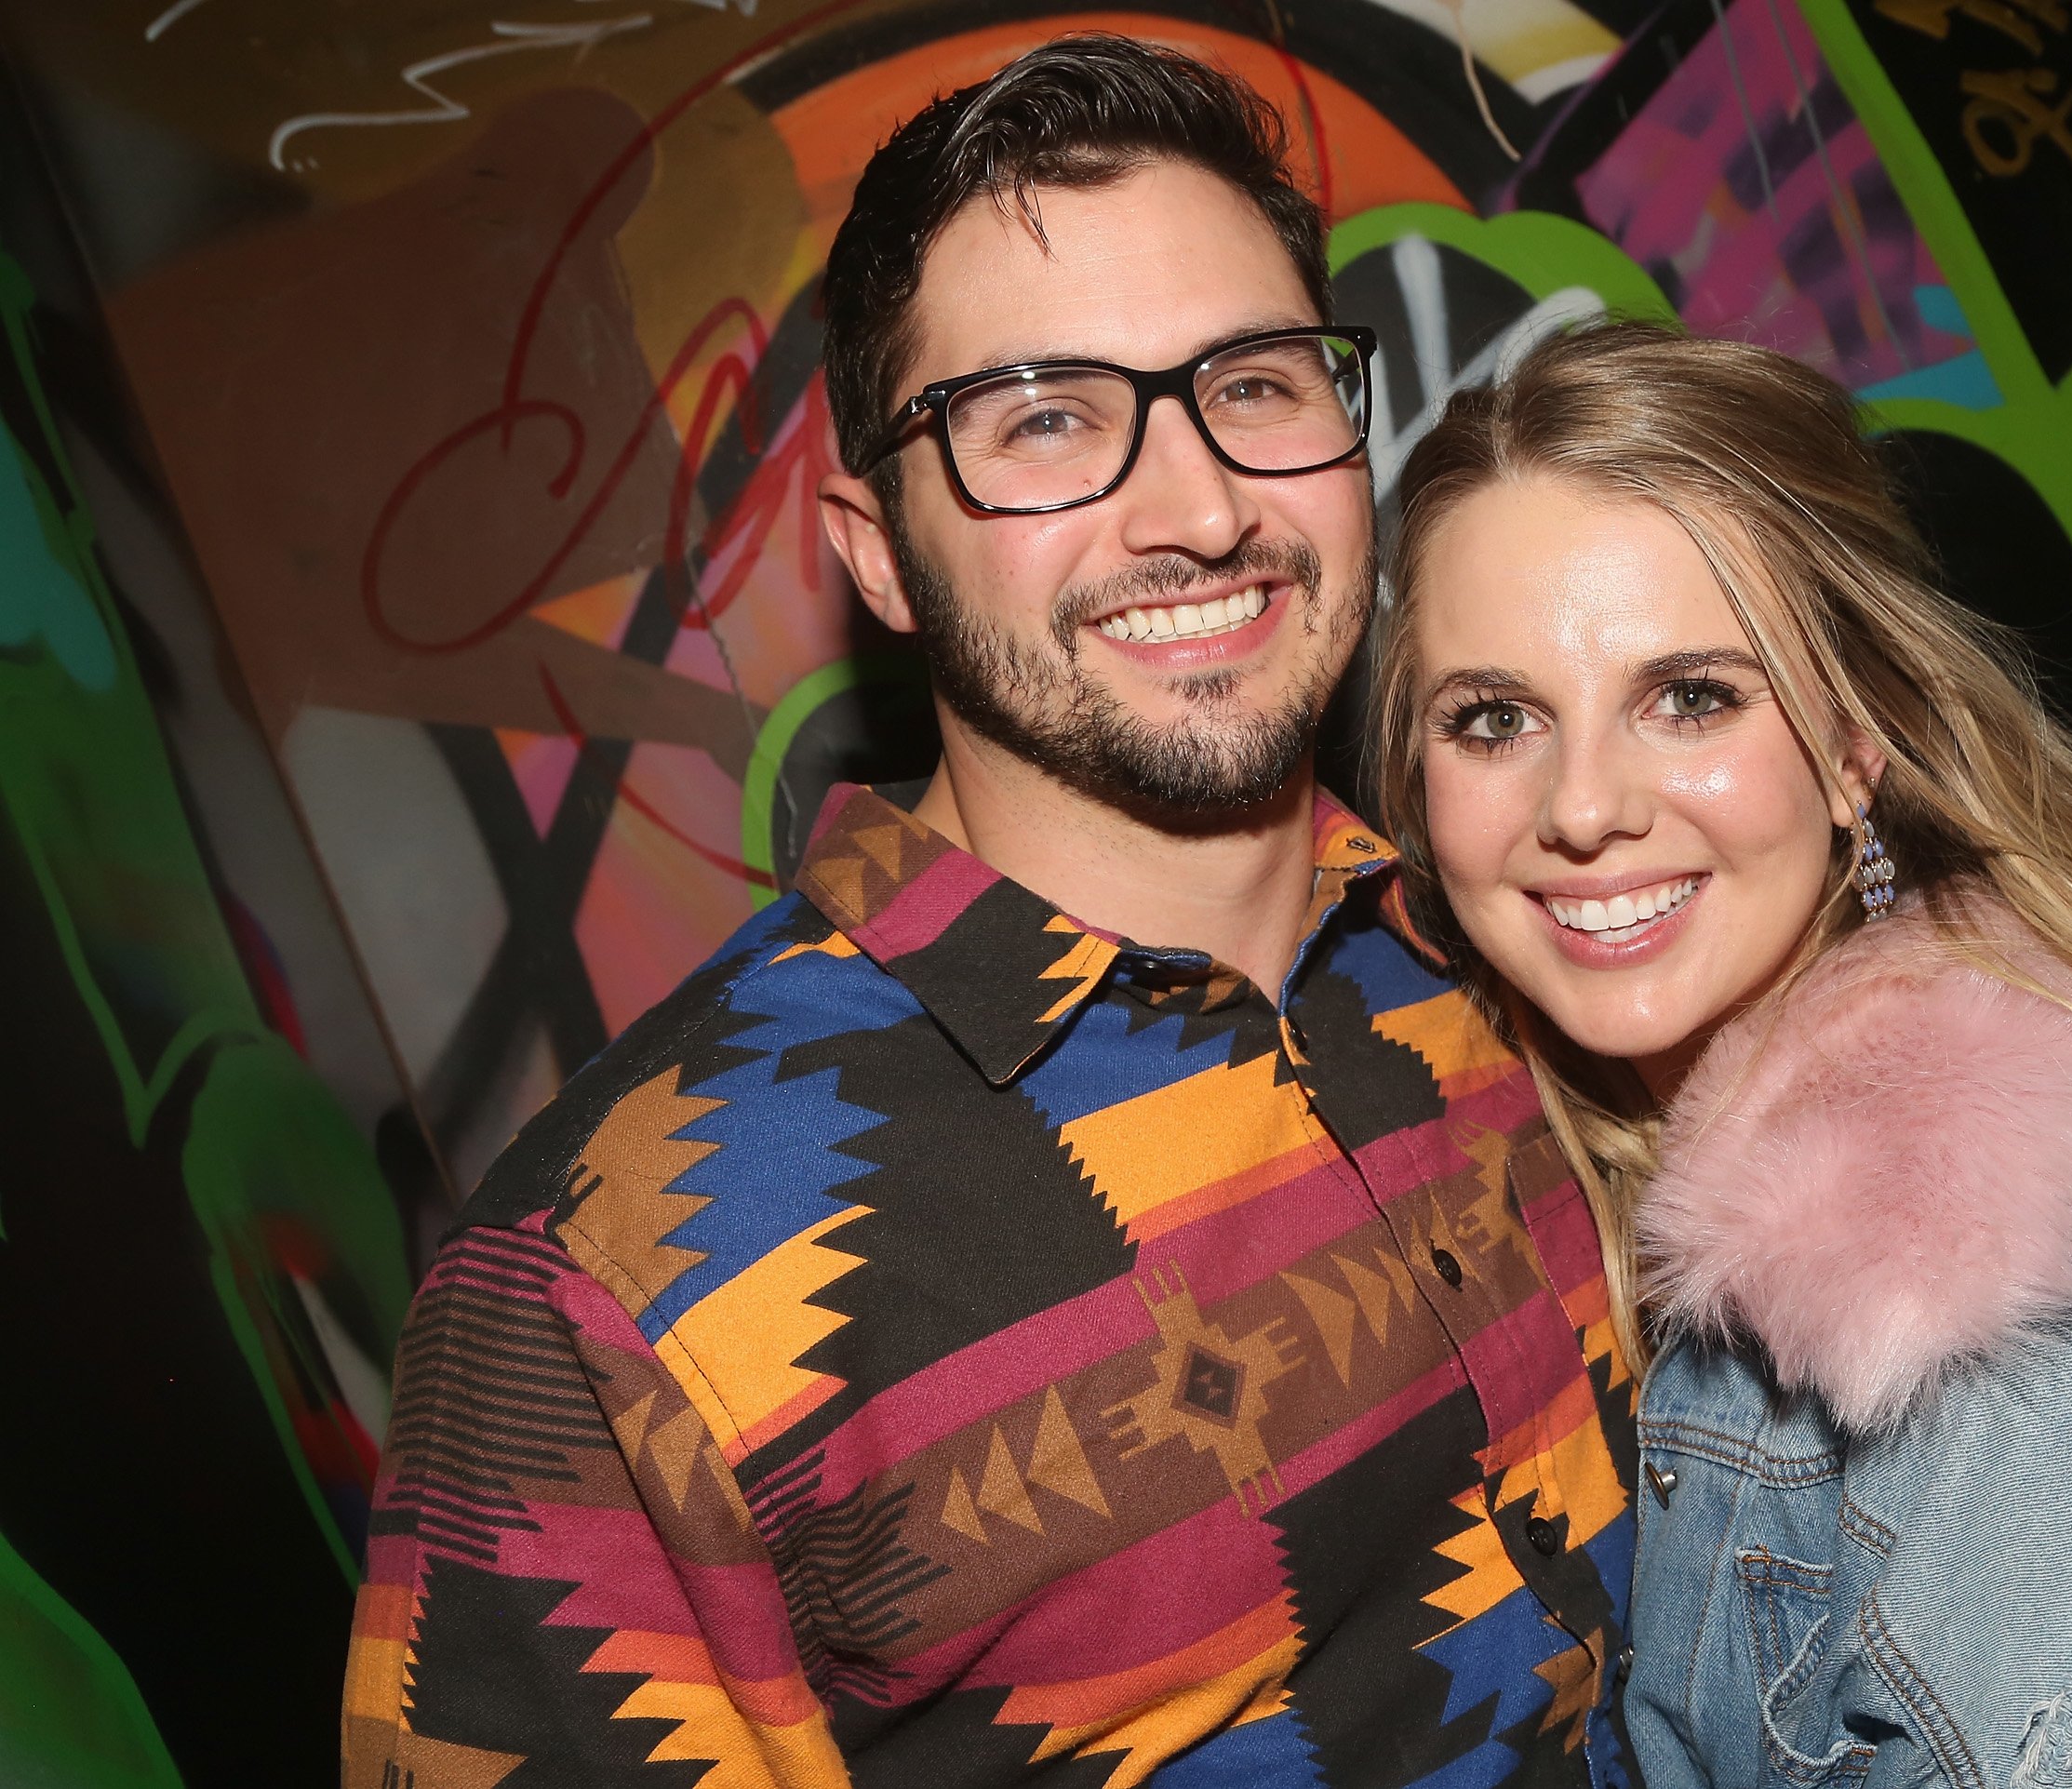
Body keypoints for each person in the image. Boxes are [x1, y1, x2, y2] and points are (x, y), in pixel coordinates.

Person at [343, 38, 1639, 1788]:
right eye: (1044, 419)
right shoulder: (606, 1291)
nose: (1201, 510)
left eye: (1255, 383)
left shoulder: (1531, 934)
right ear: (877, 553)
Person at [1367, 323, 2072, 1788]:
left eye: (1692, 696)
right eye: (1493, 719)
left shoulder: (1996, 1287)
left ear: (1859, 749)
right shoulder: (1577, 1175)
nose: (1582, 806)